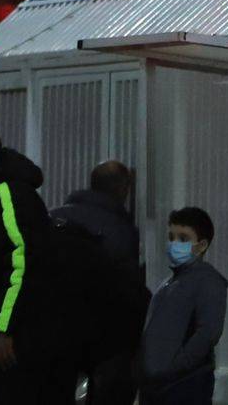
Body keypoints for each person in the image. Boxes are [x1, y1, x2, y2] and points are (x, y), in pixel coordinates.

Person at [0, 125, 71, 405]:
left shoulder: (6, 195)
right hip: (10, 343)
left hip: (23, 344)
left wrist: (5, 327)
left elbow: (23, 263)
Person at [49, 163, 147, 405]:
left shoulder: (52, 217)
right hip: (103, 334)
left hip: (54, 327)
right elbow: (125, 286)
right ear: (124, 188)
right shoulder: (120, 230)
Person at [138, 206, 226, 405]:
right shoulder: (171, 282)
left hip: (184, 385)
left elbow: (208, 332)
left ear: (201, 245)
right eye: (171, 236)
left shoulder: (208, 281)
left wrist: (176, 366)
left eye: (183, 239)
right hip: (161, 385)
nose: (174, 243)